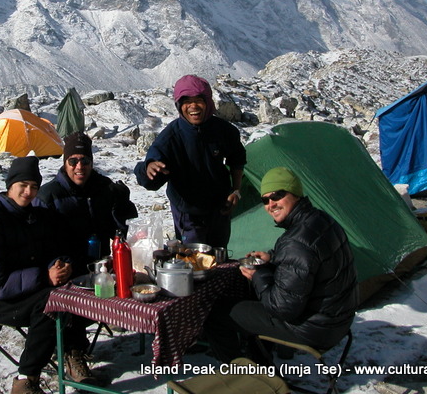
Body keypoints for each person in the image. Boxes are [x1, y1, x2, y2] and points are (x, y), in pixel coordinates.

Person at [0, 156, 94, 394]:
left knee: (75, 289)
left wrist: (62, 266)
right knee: (50, 304)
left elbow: (53, 250)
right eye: (23, 186)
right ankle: (25, 380)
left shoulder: (33, 215)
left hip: (20, 289)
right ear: (10, 185)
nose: (28, 192)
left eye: (34, 187)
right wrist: (44, 277)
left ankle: (73, 356)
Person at [205, 167, 358, 363]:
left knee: (214, 312)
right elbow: (306, 260)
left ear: (295, 193)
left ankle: (245, 375)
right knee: (253, 300)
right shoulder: (320, 219)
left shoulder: (295, 241)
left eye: (278, 195)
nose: (271, 204)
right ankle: (261, 357)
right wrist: (273, 259)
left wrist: (259, 275)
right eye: (265, 200)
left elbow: (282, 309)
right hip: (339, 320)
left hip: (314, 329)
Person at [133, 74, 246, 248]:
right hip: (188, 213)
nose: (193, 106)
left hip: (219, 208)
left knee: (218, 254)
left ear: (208, 102)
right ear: (179, 105)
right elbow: (149, 174)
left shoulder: (224, 131)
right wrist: (149, 167)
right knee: (194, 260)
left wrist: (236, 190)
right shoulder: (171, 137)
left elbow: (237, 159)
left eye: (199, 100)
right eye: (187, 101)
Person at [35, 132, 138, 272]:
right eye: (73, 161)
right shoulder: (48, 196)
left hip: (102, 270)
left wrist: (122, 204)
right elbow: (38, 245)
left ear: (91, 163)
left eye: (85, 161)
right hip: (65, 272)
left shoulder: (104, 188)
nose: (79, 166)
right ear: (65, 163)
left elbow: (122, 233)